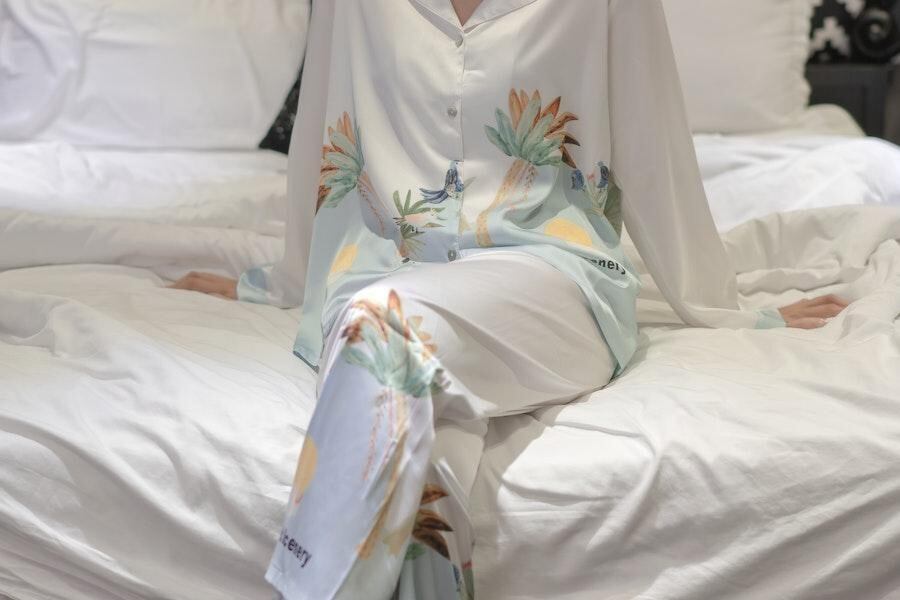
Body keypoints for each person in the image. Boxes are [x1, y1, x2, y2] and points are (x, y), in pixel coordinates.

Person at [171, 1, 848, 597]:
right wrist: (289, 280)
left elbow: (654, 147)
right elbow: (323, 129)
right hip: (383, 265)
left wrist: (721, 305)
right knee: (426, 486)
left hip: (551, 277)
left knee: (379, 328)